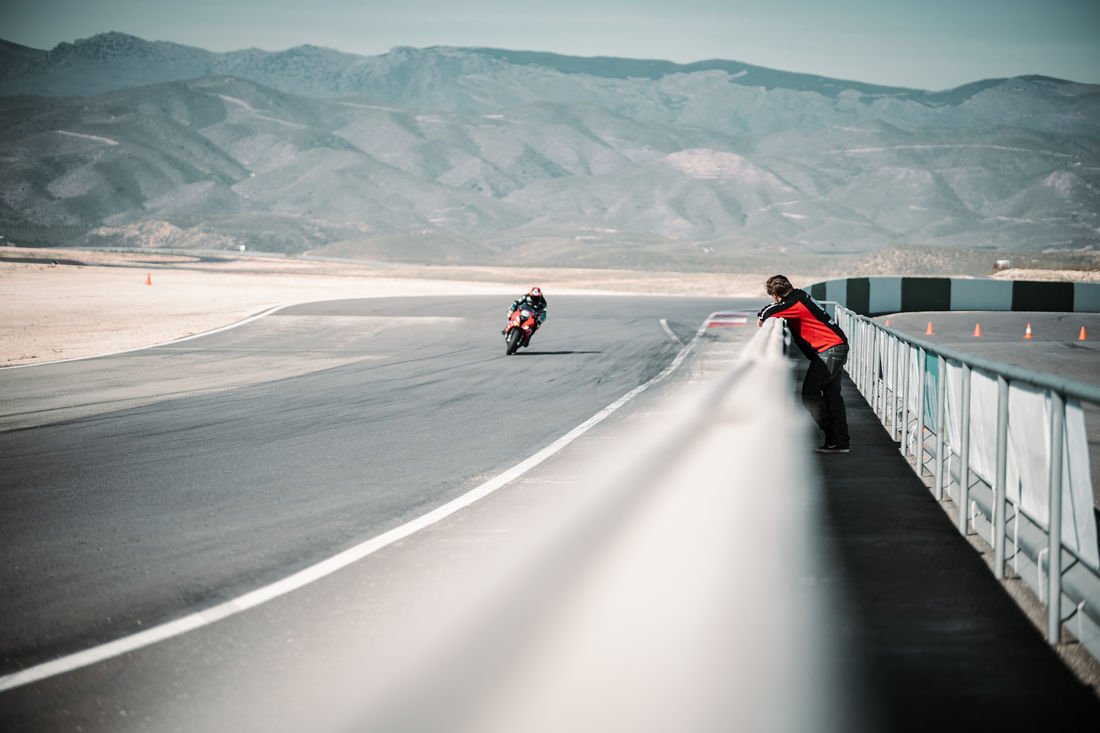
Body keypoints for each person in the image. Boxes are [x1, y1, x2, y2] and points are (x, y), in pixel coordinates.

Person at [757, 275, 850, 453]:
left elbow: (766, 314)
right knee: (832, 396)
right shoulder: (799, 296)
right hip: (835, 347)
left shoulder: (793, 304)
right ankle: (839, 442)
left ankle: (833, 436)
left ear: (775, 294)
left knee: (809, 395)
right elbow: (774, 308)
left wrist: (763, 315)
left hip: (829, 350)